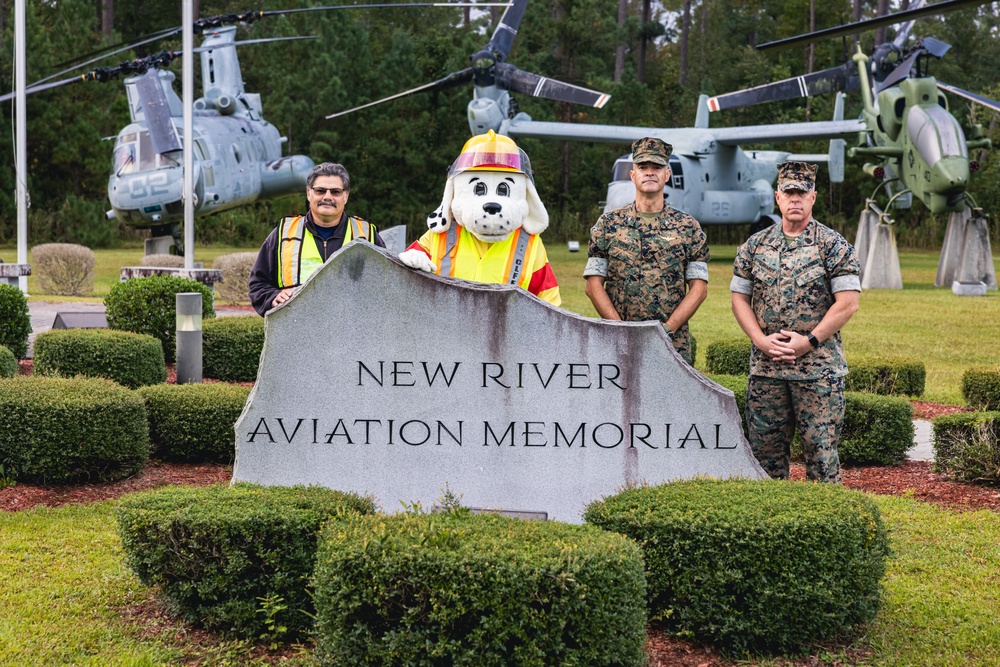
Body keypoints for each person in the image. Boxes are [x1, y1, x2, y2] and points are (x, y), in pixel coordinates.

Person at [729, 161, 861, 483]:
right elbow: (739, 299)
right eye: (789, 192)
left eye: (802, 192)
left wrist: (809, 341)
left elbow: (848, 304)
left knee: (821, 455)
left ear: (813, 197)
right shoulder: (755, 246)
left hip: (818, 372)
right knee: (764, 459)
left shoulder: (833, 245)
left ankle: (825, 523)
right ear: (777, 197)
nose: (795, 199)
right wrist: (759, 340)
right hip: (767, 370)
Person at [398, 130, 561, 306]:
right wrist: (412, 259)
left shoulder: (530, 244)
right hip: (444, 329)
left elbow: (549, 304)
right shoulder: (440, 234)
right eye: (479, 189)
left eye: (503, 190)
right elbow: (409, 263)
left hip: (502, 332)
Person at [583, 137, 709, 364]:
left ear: (667, 174)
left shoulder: (688, 227)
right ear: (633, 175)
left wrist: (667, 330)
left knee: (671, 399)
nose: (650, 172)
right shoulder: (608, 225)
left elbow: (699, 289)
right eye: (642, 167)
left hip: (672, 345)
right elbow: (593, 286)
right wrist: (622, 330)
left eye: (657, 167)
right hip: (618, 344)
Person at [249, 162, 385, 316]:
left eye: (335, 192)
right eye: (320, 191)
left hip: (353, 333)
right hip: (298, 330)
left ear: (346, 196)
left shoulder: (367, 235)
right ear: (309, 193)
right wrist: (273, 297)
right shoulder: (283, 234)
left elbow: (386, 285)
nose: (327, 197)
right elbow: (258, 284)